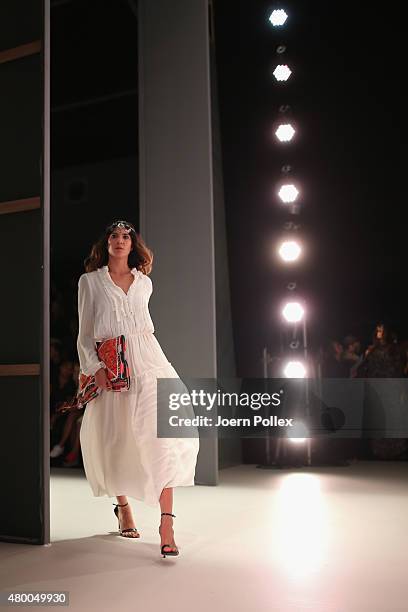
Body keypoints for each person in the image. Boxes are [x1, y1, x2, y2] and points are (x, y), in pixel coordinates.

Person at [76, 220, 200, 558]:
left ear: (133, 244)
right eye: (113, 236)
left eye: (126, 236)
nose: (119, 241)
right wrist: (94, 368)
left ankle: (167, 524)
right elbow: (85, 334)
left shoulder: (145, 283)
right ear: (106, 243)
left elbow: (142, 330)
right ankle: (123, 506)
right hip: (114, 367)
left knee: (164, 437)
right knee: (116, 440)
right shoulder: (90, 282)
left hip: (151, 362)